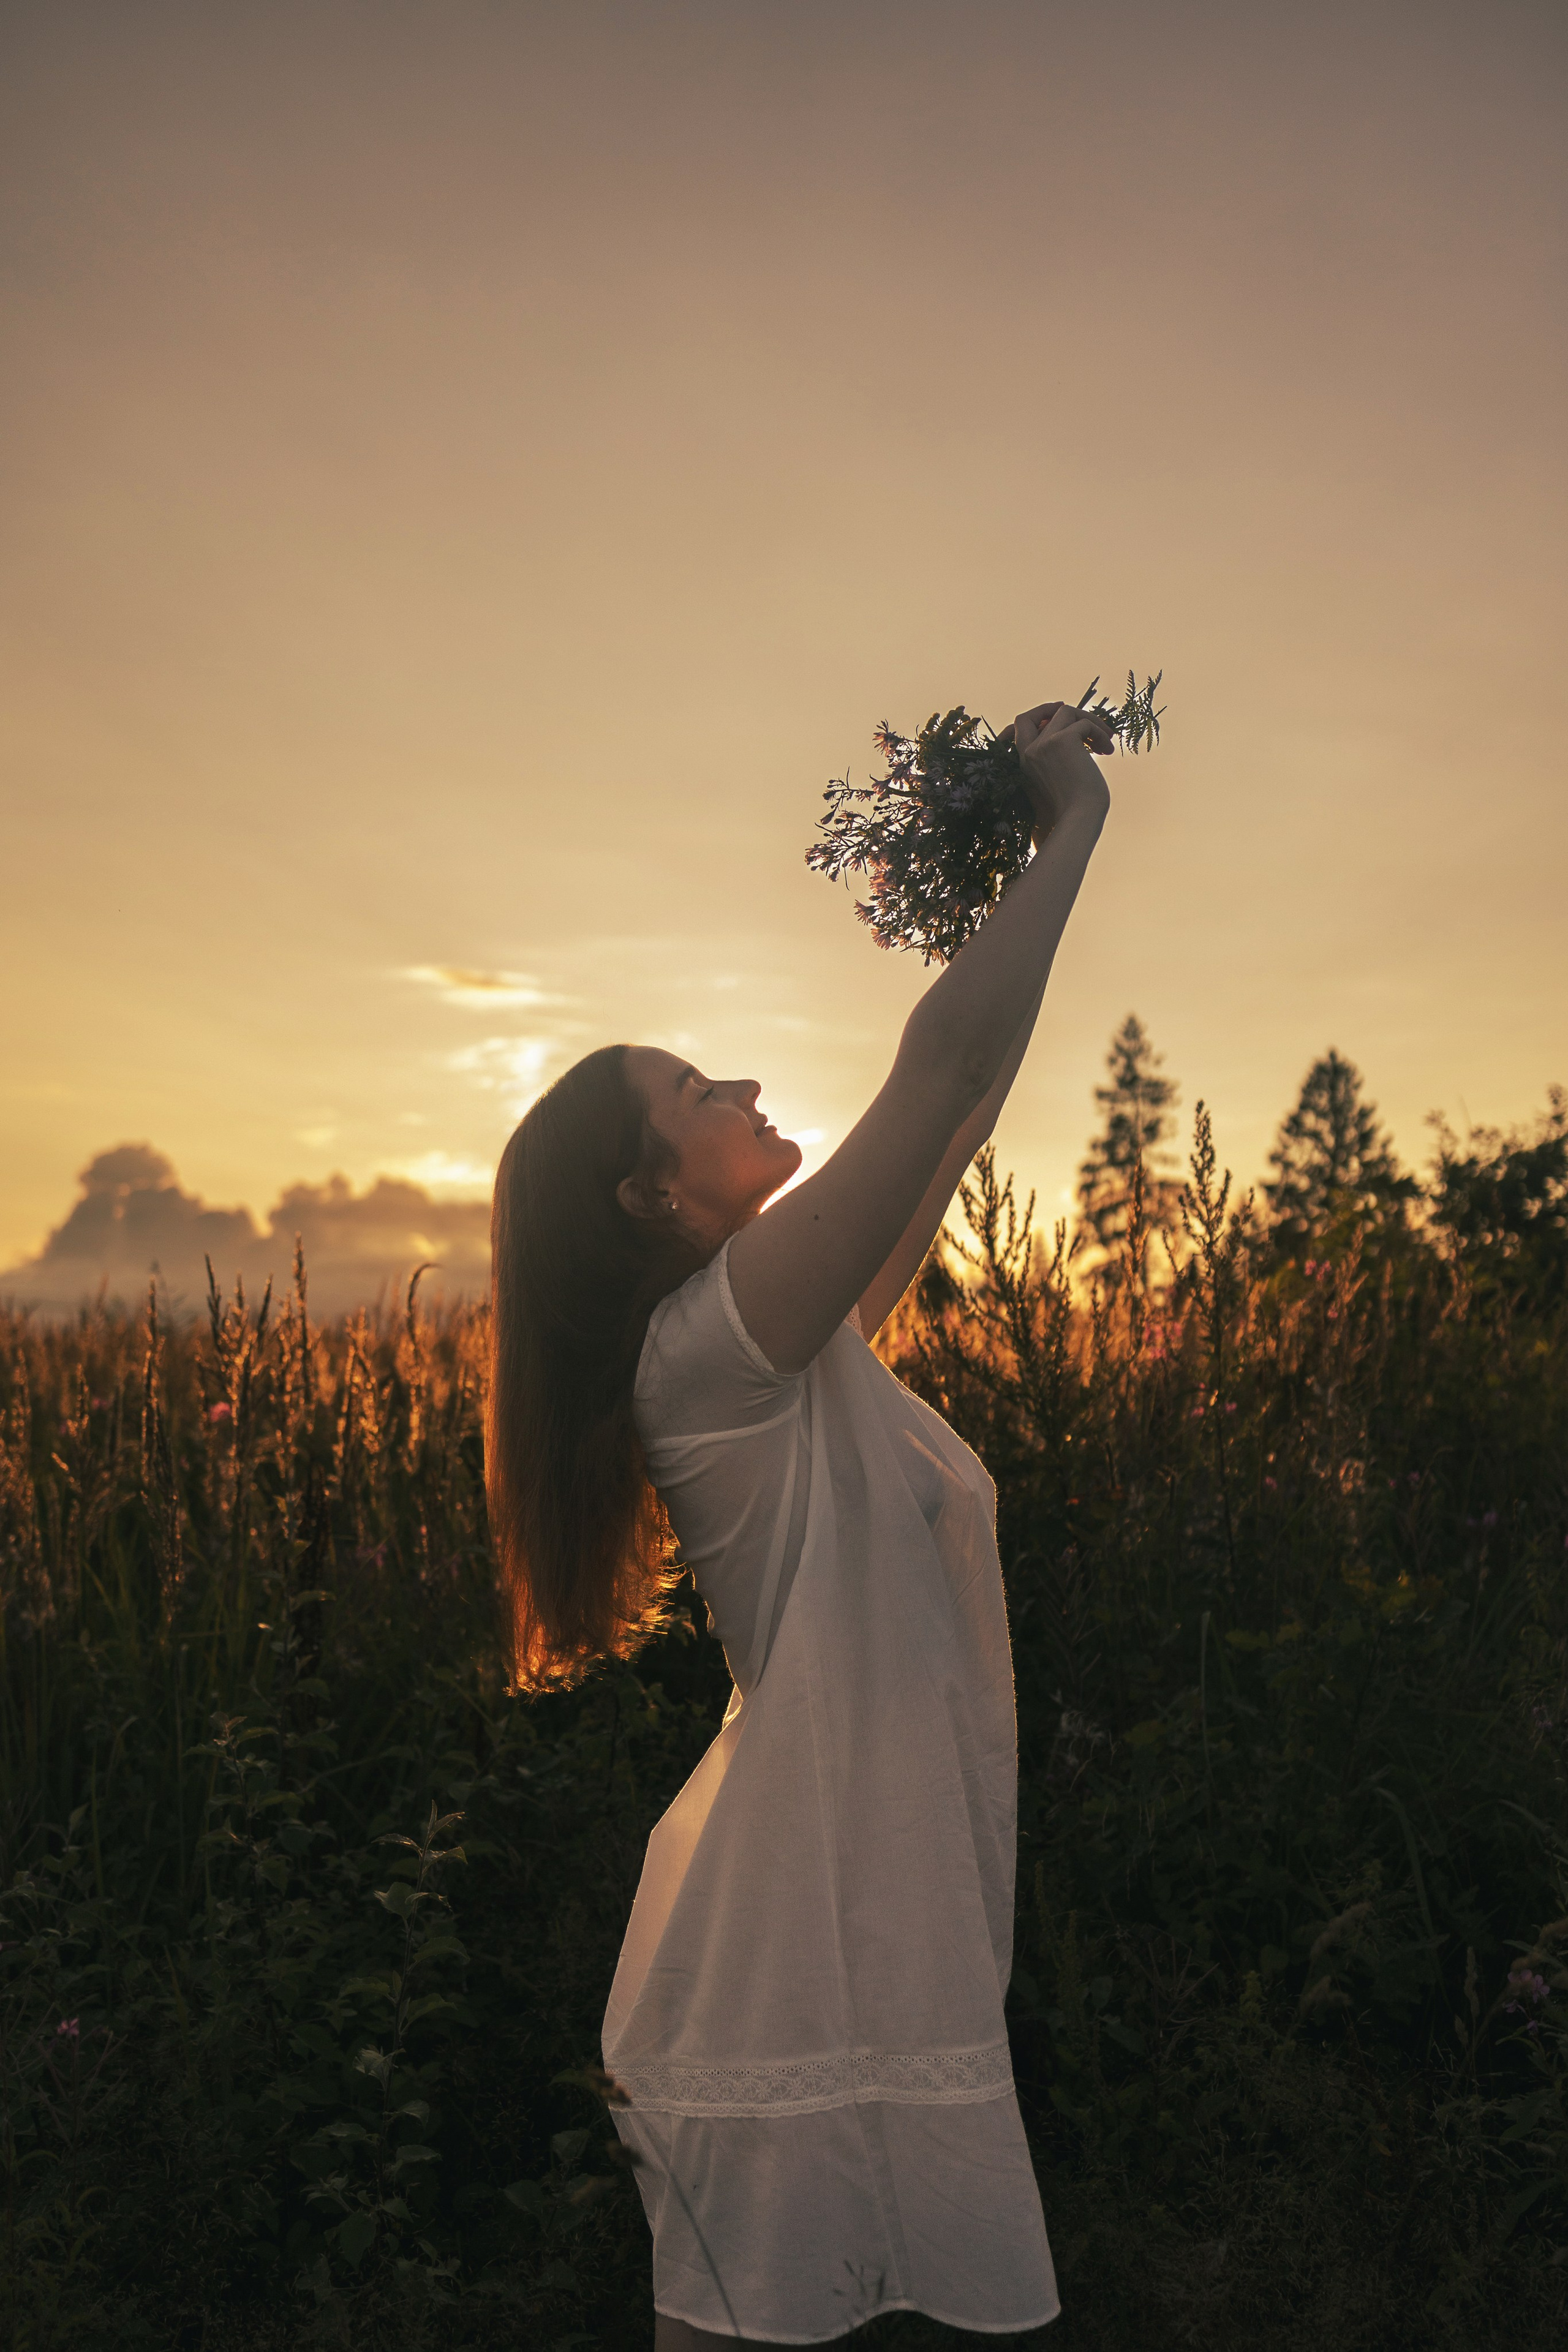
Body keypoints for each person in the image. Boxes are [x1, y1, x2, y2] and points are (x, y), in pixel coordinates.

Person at [486, 698, 1114, 2346]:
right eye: (700, 1088)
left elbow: (957, 1107)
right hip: (794, 1939)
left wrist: (1012, 871)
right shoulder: (716, 1352)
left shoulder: (778, 1340)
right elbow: (942, 1065)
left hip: (861, 1914)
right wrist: (1073, 826)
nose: (749, 1081)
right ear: (651, 1193)